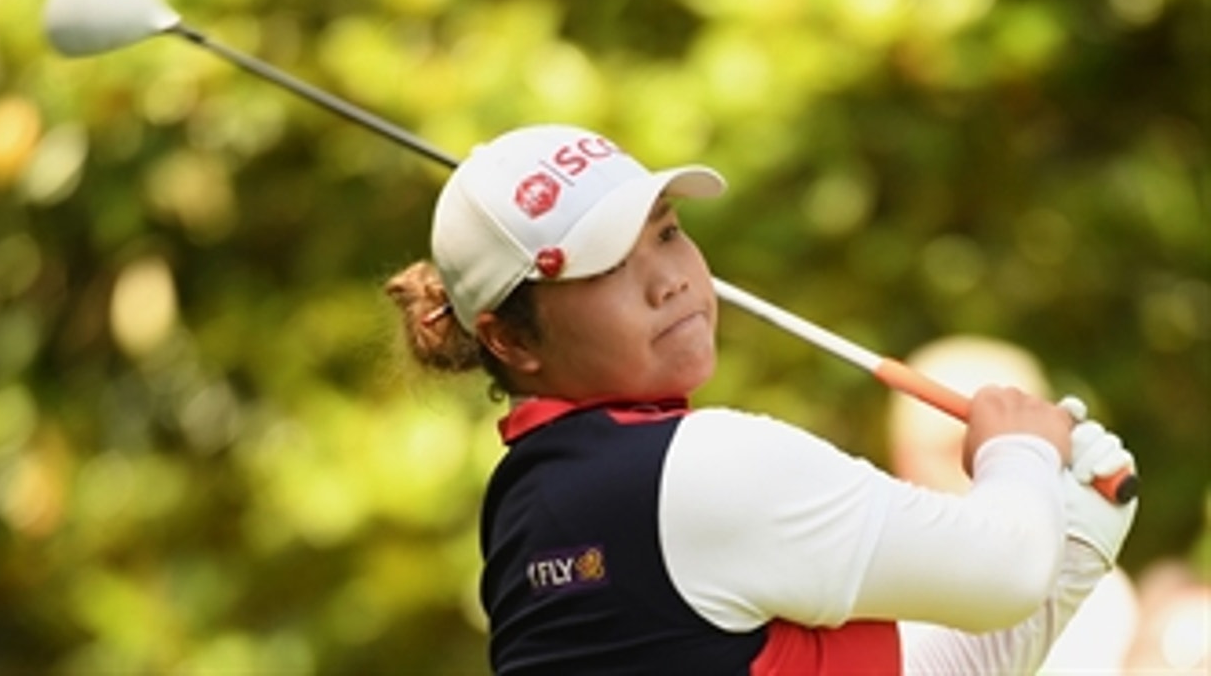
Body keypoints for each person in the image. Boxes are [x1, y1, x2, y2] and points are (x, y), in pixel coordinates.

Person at [385, 123, 1139, 674]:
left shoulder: (527, 504)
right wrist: (1019, 451)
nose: (671, 278)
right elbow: (1004, 573)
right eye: (607, 266)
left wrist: (1076, 542)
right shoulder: (699, 468)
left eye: (669, 232)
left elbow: (938, 662)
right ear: (510, 340)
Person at [886, 335, 1141, 676]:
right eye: (950, 450)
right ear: (903, 456)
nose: (980, 472)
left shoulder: (1101, 595)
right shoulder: (870, 586)